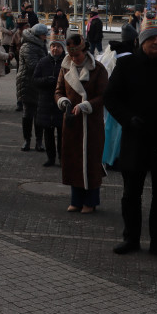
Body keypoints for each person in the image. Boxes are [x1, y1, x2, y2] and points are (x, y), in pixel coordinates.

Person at [105, 17, 157, 259]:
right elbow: (111, 98)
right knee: (131, 194)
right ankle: (130, 238)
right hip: (136, 137)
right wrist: (128, 119)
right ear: (141, 42)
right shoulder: (127, 65)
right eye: (151, 38)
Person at [55, 34, 108, 213]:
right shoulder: (65, 68)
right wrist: (62, 101)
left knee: (91, 160)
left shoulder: (98, 69)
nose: (74, 59)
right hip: (71, 122)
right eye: (71, 56)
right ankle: (76, 200)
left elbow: (104, 96)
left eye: (77, 56)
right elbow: (58, 90)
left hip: (91, 123)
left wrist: (87, 105)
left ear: (85, 52)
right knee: (73, 160)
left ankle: (91, 201)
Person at [33, 35, 67, 167]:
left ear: (62, 48)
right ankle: (50, 158)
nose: (55, 49)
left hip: (61, 102)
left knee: (62, 133)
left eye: (58, 46)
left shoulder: (67, 62)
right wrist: (46, 80)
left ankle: (62, 158)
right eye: (53, 46)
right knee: (47, 133)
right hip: (45, 102)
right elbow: (35, 80)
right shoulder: (43, 62)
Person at [18, 23, 49, 150]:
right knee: (28, 113)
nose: (45, 37)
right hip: (27, 82)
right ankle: (27, 140)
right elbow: (33, 65)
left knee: (39, 113)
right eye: (43, 35)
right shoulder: (28, 46)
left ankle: (38, 141)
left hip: (38, 83)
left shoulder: (40, 45)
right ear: (37, 35)